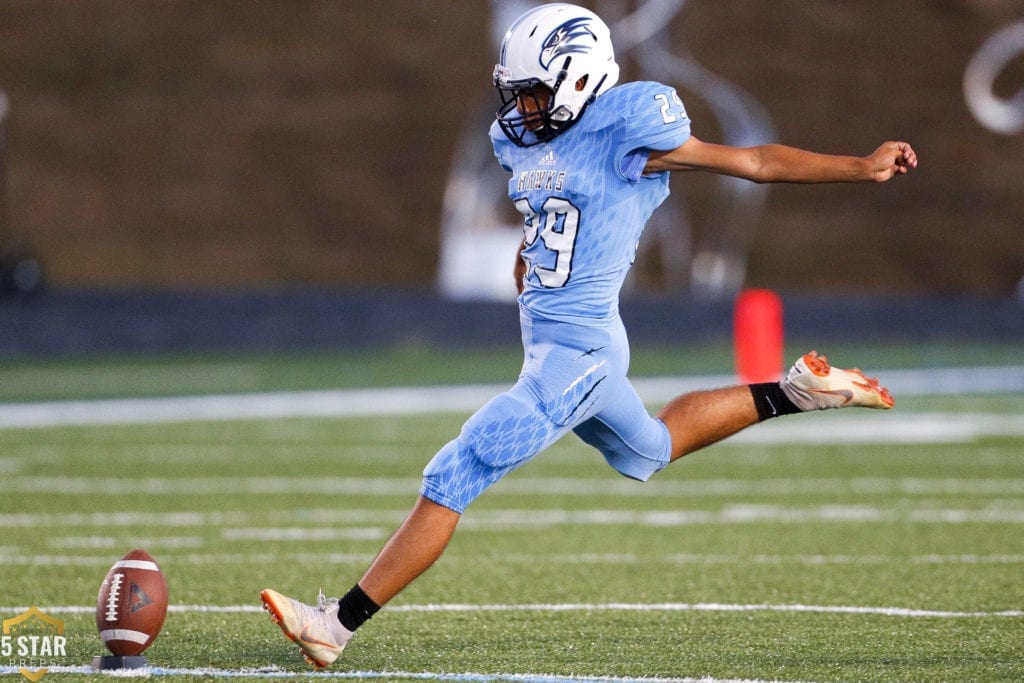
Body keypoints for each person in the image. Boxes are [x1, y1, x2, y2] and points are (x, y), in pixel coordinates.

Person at [260, 3, 918, 669]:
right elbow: (548, 210)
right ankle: (795, 392)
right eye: (517, 94)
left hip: (580, 354)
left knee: (457, 469)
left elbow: (752, 161)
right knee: (651, 448)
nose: (522, 108)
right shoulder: (524, 138)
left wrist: (860, 166)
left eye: (534, 93)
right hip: (557, 345)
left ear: (577, 79)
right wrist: (528, 253)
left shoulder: (628, 127)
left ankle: (334, 625)